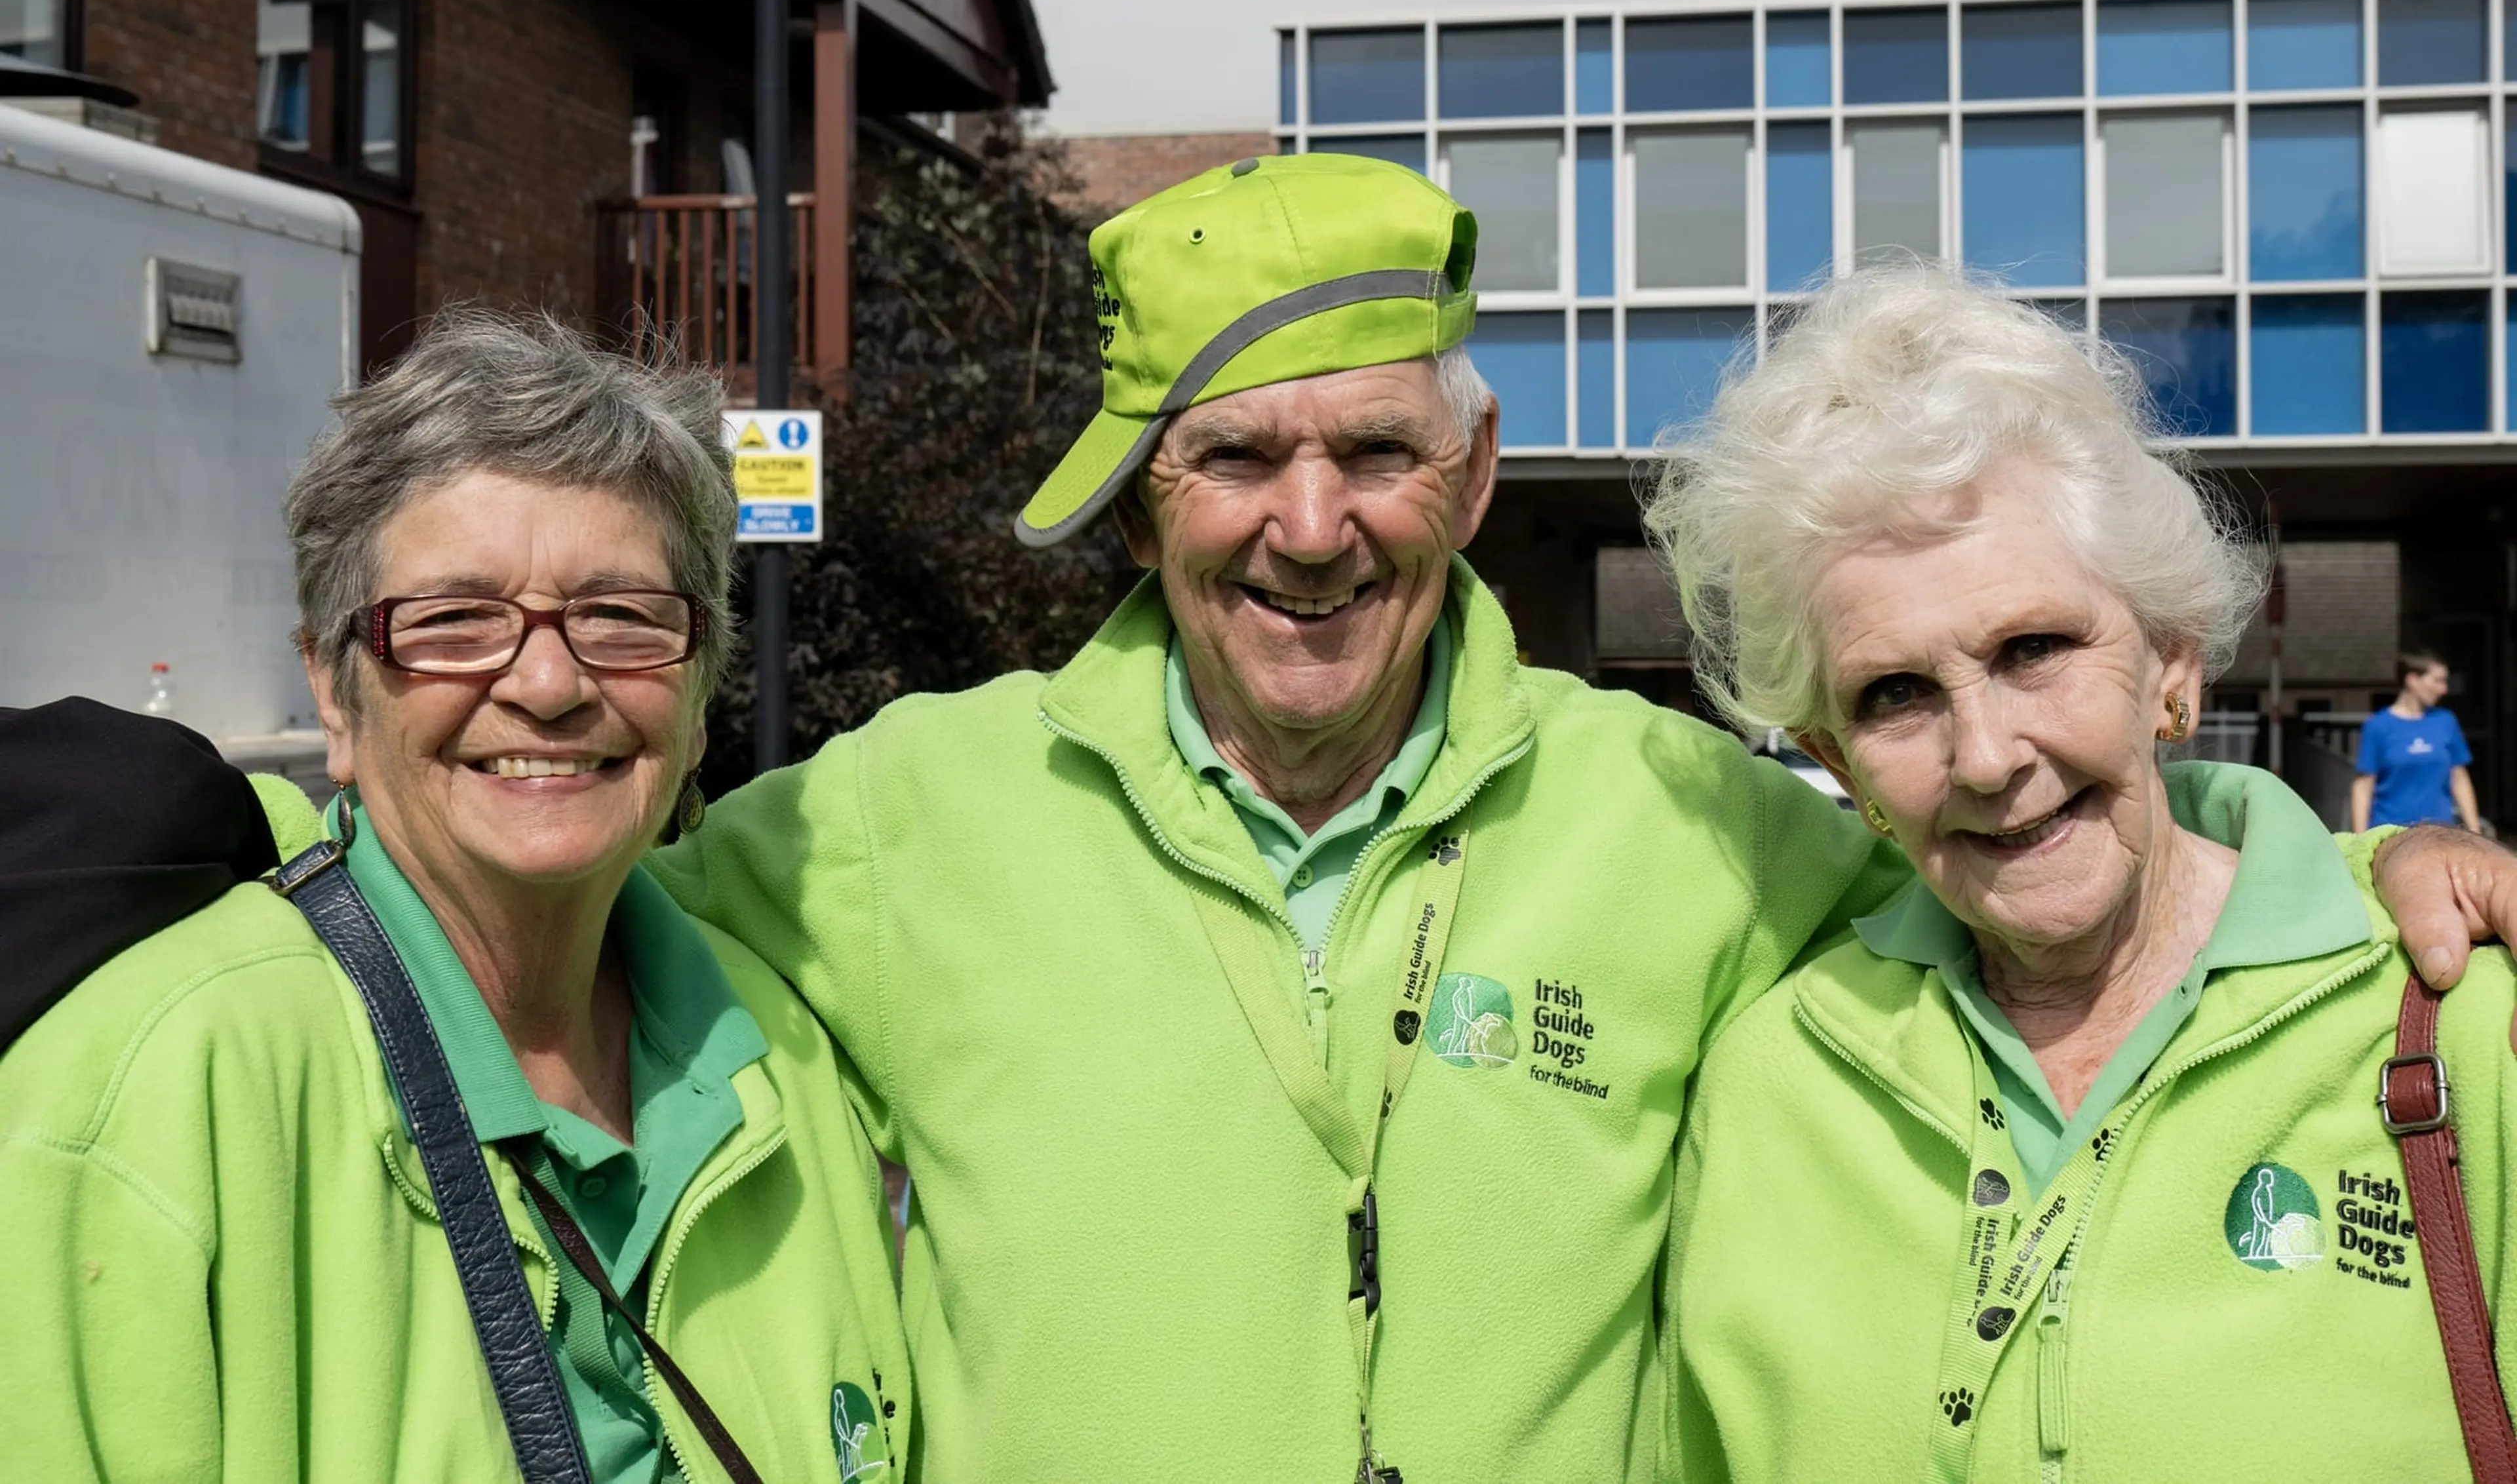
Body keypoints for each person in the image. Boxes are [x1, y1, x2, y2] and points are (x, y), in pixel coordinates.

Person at [645, 155, 2517, 1482]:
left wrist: (2366, 875)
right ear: (1143, 503)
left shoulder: (1699, 823)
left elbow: (2039, 833)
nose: (1311, 525)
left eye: (1376, 449)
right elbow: (567, 953)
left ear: (1467, 476)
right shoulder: (895, 822)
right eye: (1235, 456)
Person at [0, 314, 909, 1481]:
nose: (547, 681)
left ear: (698, 693)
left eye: (622, 615)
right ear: (334, 692)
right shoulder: (159, 1085)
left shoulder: (784, 1059)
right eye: (454, 620)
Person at [1652, 267, 2517, 1479]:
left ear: (2171, 664)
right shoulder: (1768, 1085)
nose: (1990, 755)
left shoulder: (2460, 1027)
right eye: (1894, 694)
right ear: (1833, 757)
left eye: (2034, 647)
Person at [2354, 648, 2484, 834]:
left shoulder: (2446, 721)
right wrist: (2361, 840)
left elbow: (2459, 778)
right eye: (2438, 681)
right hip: (2391, 836)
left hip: (2440, 834)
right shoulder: (2378, 726)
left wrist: (2475, 832)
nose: (2444, 689)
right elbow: (2363, 786)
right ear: (2412, 680)